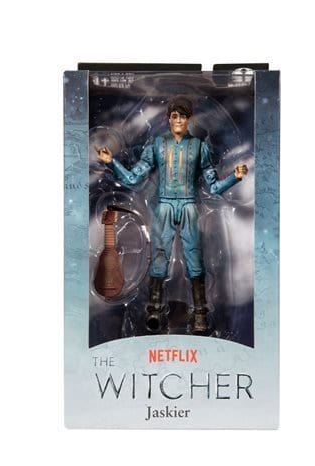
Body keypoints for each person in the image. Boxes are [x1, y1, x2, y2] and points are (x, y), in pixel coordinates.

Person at [96, 95, 248, 334]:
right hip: (165, 206)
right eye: (175, 116)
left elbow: (213, 187)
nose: (178, 120)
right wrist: (111, 162)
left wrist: (234, 178)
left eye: (183, 116)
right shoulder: (157, 145)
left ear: (189, 119)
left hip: (188, 206)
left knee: (194, 259)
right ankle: (154, 310)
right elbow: (134, 178)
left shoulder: (199, 147)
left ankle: (200, 313)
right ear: (168, 118)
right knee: (159, 257)